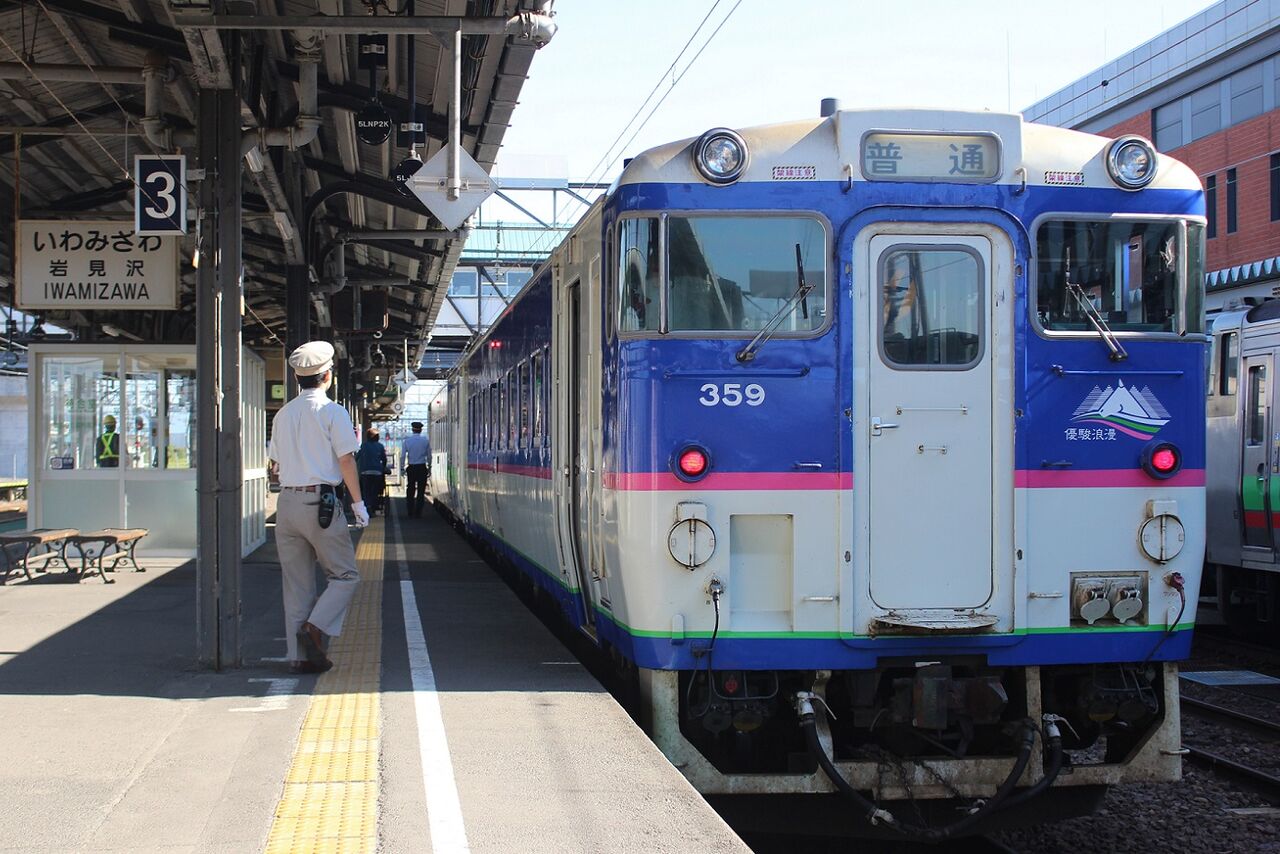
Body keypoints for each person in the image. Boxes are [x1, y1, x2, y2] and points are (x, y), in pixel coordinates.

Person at [268, 341, 369, 675]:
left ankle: (298, 657)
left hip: (287, 504)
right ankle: (314, 628)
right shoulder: (333, 413)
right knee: (345, 575)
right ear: (328, 376)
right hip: (320, 504)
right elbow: (345, 460)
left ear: (298, 377)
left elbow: (275, 464)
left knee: (296, 584)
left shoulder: (283, 415)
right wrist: (358, 503)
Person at [356, 427, 388, 516]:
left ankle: (368, 508)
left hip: (365, 472)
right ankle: (374, 507)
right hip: (377, 472)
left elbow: (357, 457)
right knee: (375, 491)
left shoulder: (364, 446)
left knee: (366, 491)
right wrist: (383, 467)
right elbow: (384, 459)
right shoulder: (380, 446)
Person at [401, 420, 430, 517]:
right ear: (421, 430)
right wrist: (429, 467)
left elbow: (403, 456)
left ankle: (410, 511)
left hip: (412, 467)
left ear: (412, 429)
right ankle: (418, 512)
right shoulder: (425, 441)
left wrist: (401, 468)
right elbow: (429, 456)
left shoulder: (407, 441)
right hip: (422, 467)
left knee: (410, 489)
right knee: (421, 491)